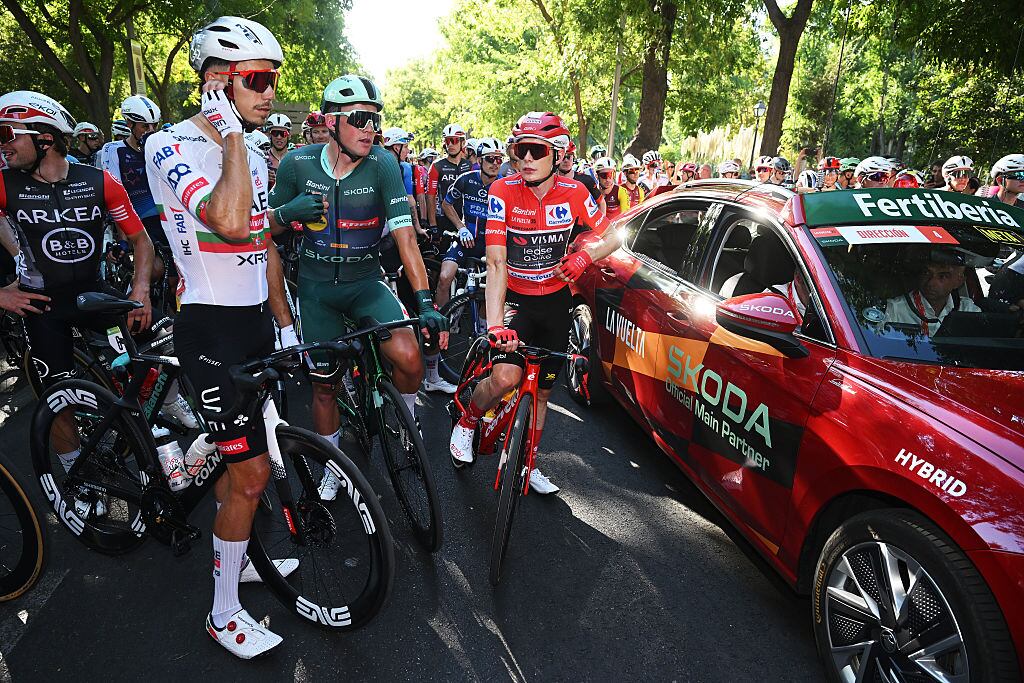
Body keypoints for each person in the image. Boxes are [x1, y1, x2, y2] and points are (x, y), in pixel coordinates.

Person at [145, 16, 299, 659]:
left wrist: (286, 324)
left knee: (254, 461)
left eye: (272, 80)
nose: (270, 94)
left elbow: (262, 247)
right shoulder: (169, 146)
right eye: (257, 81)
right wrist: (232, 136)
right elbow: (232, 223)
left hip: (254, 324)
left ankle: (237, 555)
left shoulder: (256, 152)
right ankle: (222, 611)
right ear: (216, 83)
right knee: (253, 470)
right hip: (209, 325)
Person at [267, 75, 448, 497]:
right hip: (316, 292)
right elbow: (260, 234)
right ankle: (334, 464)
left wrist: (423, 300)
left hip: (366, 282)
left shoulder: (384, 164)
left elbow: (405, 239)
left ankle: (405, 416)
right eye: (360, 118)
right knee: (325, 387)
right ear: (331, 122)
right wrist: (285, 213)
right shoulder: (297, 164)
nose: (371, 128)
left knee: (409, 354)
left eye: (375, 119)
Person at [449, 111, 622, 494]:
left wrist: (583, 257)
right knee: (506, 377)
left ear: (556, 155)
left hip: (555, 304)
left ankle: (529, 465)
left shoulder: (576, 193)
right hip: (517, 301)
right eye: (518, 150)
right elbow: (495, 261)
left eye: (535, 150)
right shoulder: (503, 191)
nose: (524, 158)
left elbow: (613, 238)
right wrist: (495, 326)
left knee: (543, 392)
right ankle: (468, 419)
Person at [1, 90, 154, 515]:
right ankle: (78, 475)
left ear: (45, 138)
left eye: (7, 134)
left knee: (135, 372)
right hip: (41, 305)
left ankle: (151, 433)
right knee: (58, 395)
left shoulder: (98, 180)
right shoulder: (4, 182)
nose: (3, 145)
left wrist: (139, 290)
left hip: (95, 297)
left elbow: (140, 240)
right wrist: (2, 293)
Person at [434, 136, 504, 327]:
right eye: (490, 159)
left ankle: (482, 325)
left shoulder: (503, 186)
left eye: (499, 159)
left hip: (489, 244)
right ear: (480, 160)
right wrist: (461, 227)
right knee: (444, 277)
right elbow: (446, 203)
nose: (495, 164)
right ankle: (439, 323)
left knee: (491, 287)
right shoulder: (465, 179)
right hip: (466, 239)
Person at [885, 249, 980, 336]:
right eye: (927, 273)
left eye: (942, 276)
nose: (931, 282)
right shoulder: (895, 310)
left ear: (959, 281)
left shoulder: (968, 311)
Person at [427, 123, 471, 241]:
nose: (450, 144)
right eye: (447, 141)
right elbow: (430, 197)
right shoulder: (437, 166)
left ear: (462, 142)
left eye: (454, 140)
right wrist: (433, 226)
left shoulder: (468, 165)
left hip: (465, 220)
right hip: (443, 220)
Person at [381, 127, 423, 235]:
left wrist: (417, 228)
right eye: (405, 147)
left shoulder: (404, 168)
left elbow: (410, 199)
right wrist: (417, 228)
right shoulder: (404, 168)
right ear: (396, 148)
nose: (408, 151)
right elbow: (410, 200)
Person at [556, 140, 602, 207]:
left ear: (573, 158)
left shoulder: (586, 180)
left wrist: (602, 217)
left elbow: (601, 203)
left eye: (569, 157)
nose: (566, 160)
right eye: (563, 157)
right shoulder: (549, 180)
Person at [264, 112, 292, 186]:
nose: (279, 137)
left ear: (289, 135)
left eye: (283, 133)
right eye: (275, 133)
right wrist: (263, 176)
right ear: (270, 135)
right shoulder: (262, 157)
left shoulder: (295, 158)